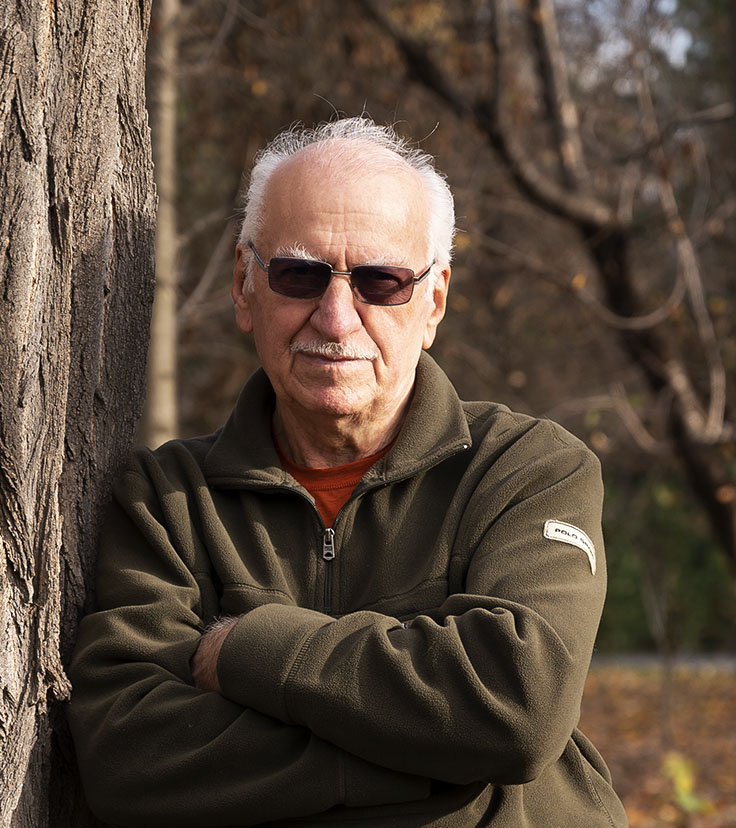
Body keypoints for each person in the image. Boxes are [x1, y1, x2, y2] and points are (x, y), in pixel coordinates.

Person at [67, 118, 628, 827]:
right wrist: (441, 762)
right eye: (299, 275)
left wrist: (246, 649)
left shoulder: (529, 470)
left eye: (381, 281)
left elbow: (521, 705)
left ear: (433, 302)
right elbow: (129, 759)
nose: (335, 317)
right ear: (245, 286)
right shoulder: (167, 501)